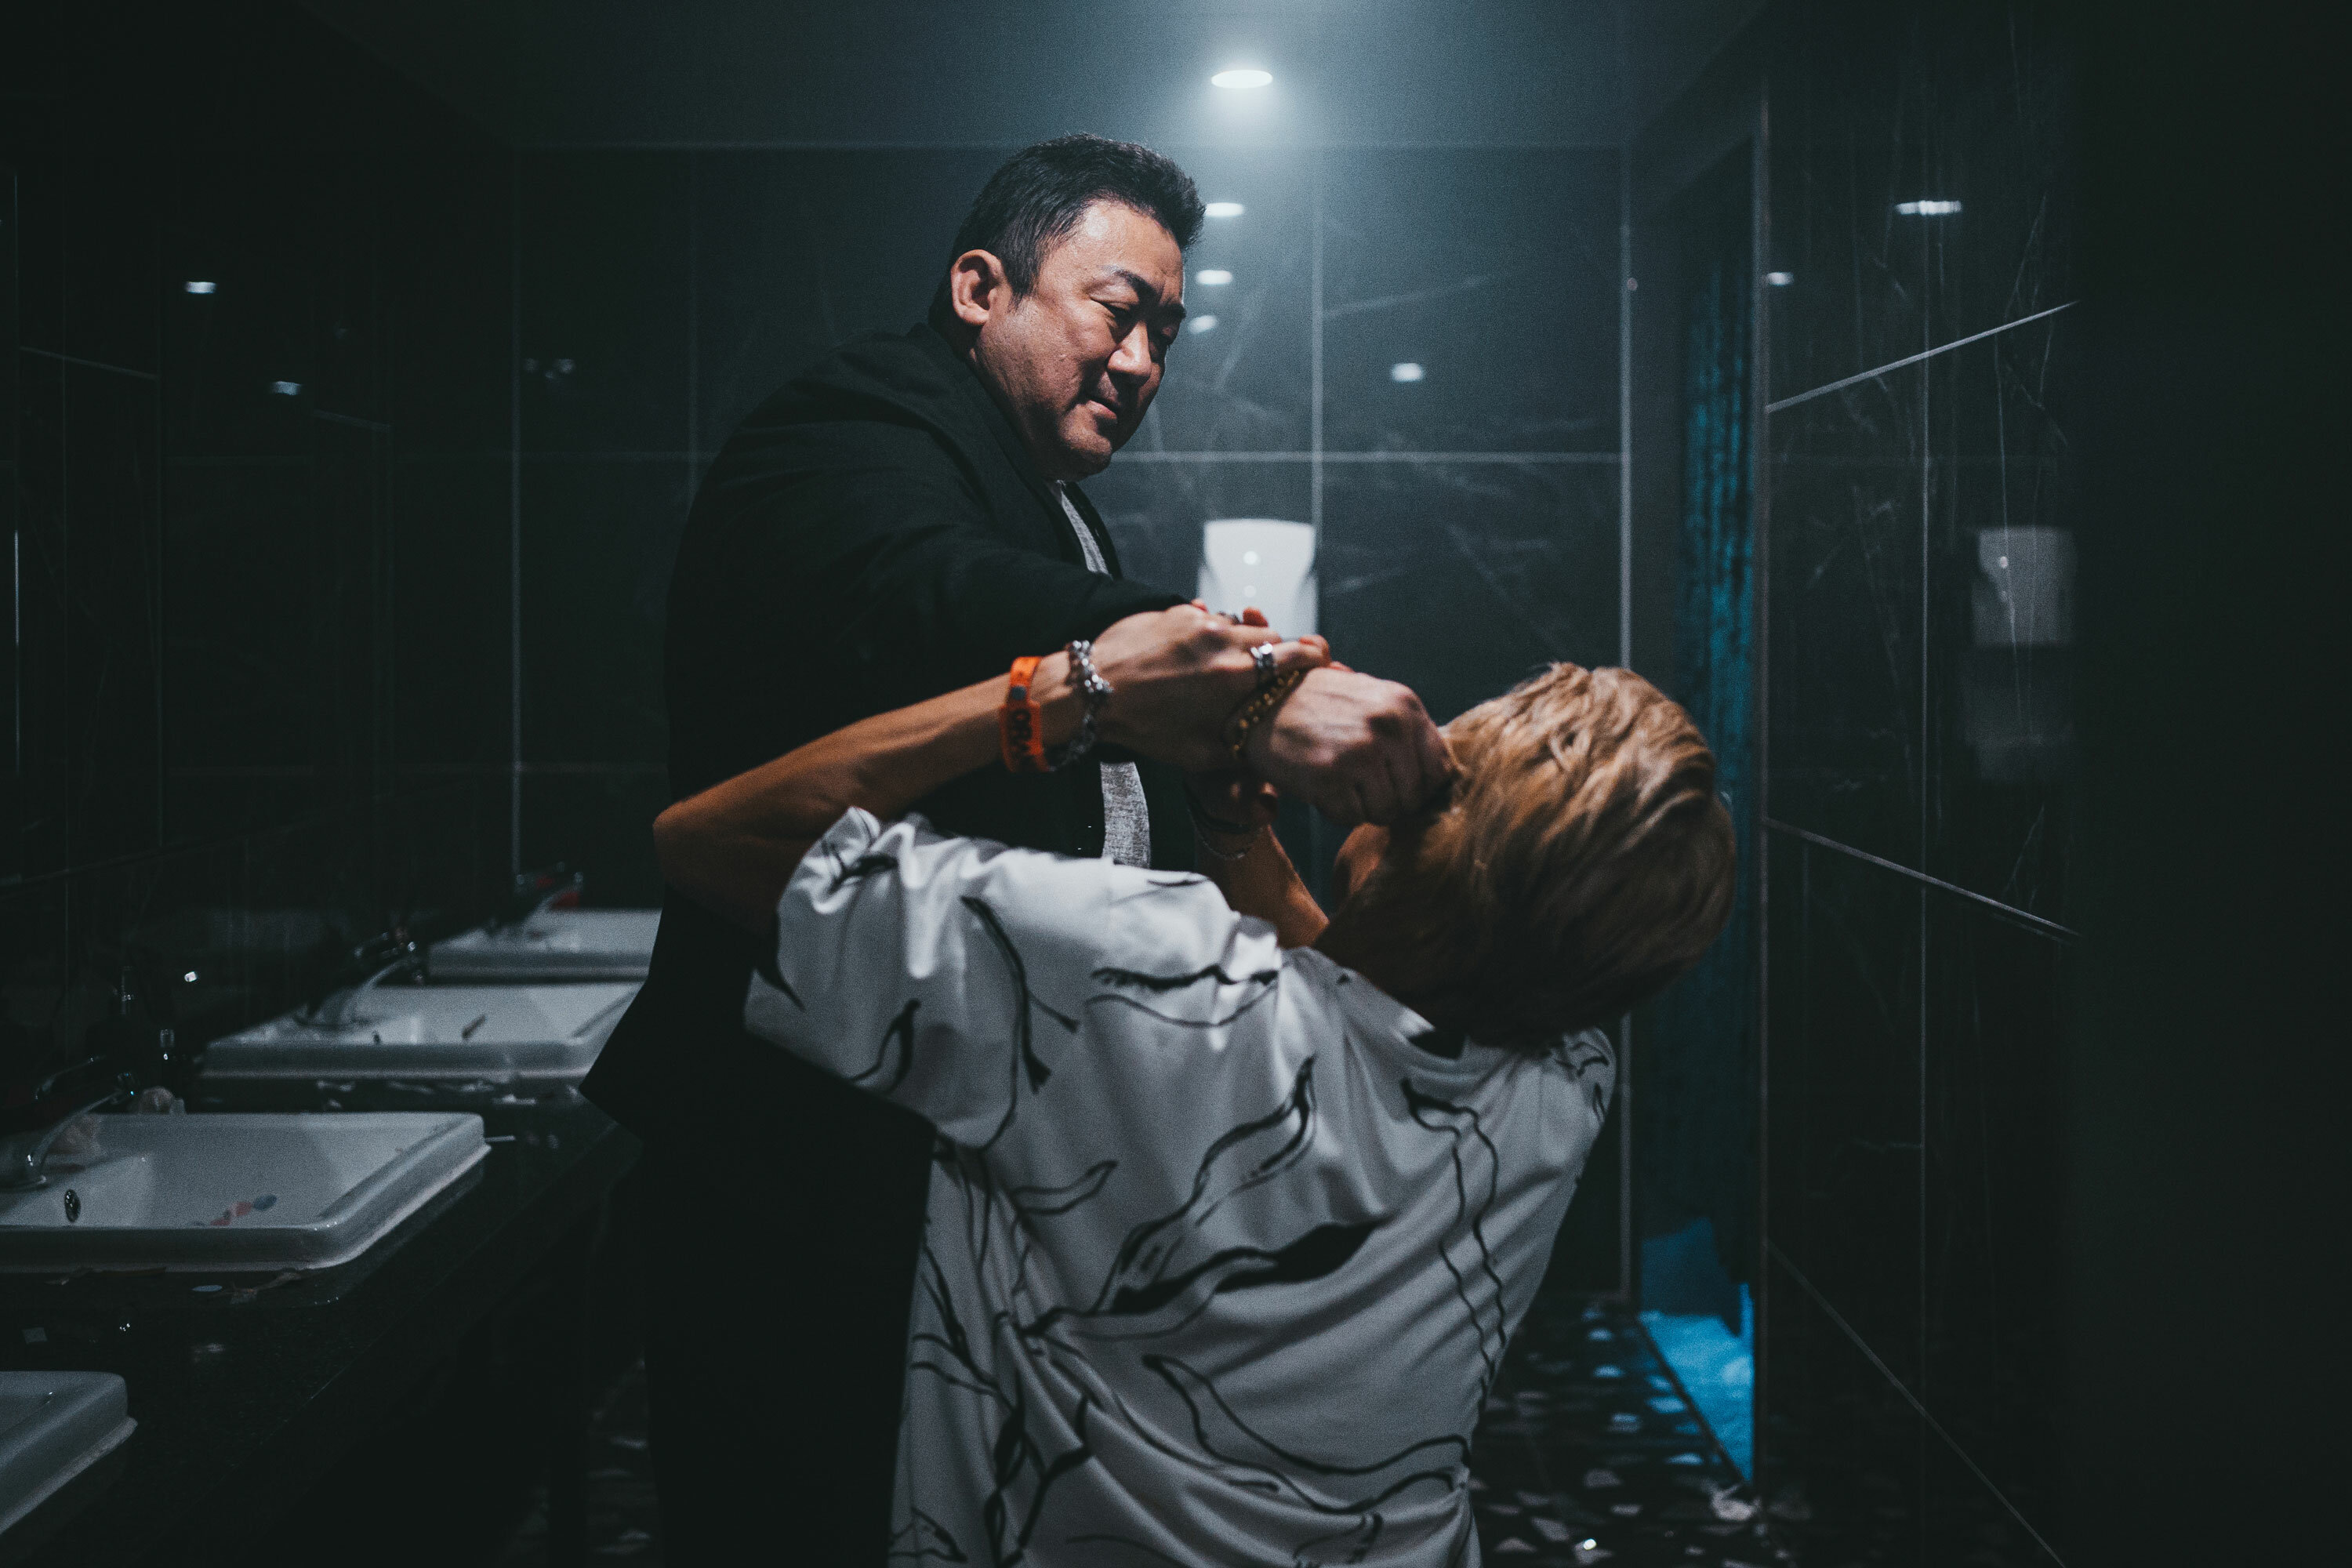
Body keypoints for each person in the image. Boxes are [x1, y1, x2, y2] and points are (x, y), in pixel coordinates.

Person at [581, 136, 1450, 1560]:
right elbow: (937, 591)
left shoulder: (1050, 496)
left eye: (1169, 333)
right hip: (807, 1174)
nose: (1144, 361)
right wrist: (1249, 683)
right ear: (981, 288)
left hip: (951, 1171)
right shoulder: (857, 426)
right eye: (1118, 310)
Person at [652, 611, 1737, 1567]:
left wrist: (1077, 690)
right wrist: (1236, 835)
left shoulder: (1127, 973)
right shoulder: (1567, 1079)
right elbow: (1359, 1005)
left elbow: (711, 841)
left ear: (1430, 825)